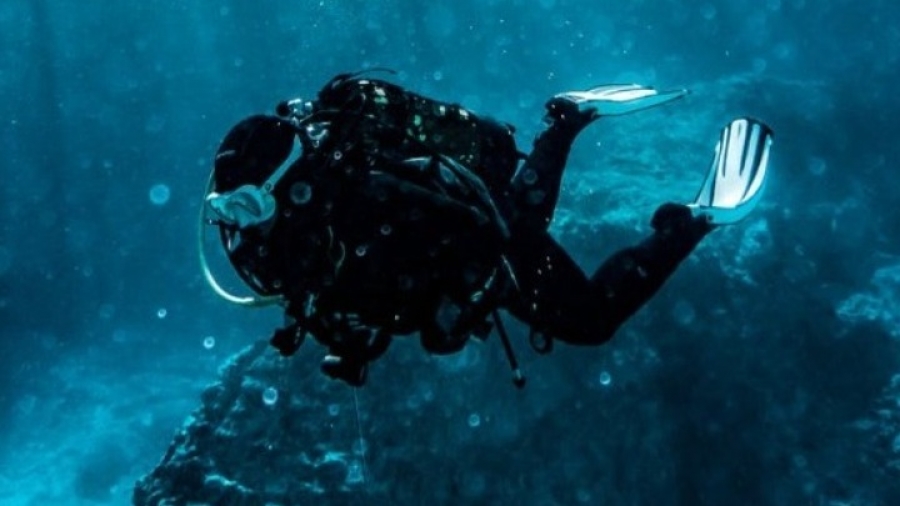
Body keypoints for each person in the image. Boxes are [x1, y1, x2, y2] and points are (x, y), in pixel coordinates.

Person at [200, 70, 773, 387]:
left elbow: (484, 232)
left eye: (247, 204)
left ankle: (691, 218)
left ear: (294, 183)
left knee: (586, 314)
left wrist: (460, 305)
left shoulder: (374, 195)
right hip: (438, 251)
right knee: (524, 220)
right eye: (227, 209)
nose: (238, 224)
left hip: (471, 223)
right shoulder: (262, 243)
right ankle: (567, 121)